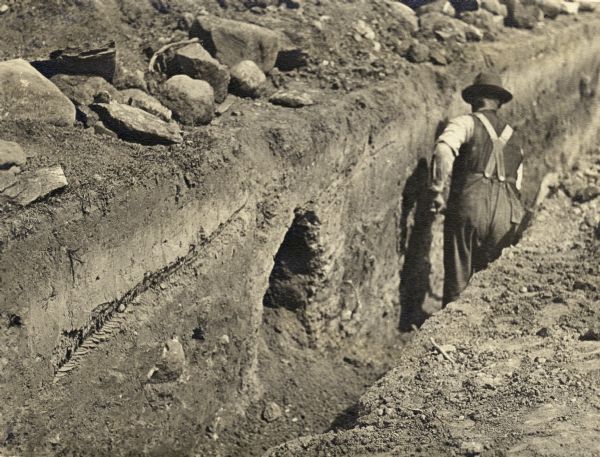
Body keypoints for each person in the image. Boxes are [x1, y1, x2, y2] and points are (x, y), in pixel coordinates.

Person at [430, 72, 525, 306]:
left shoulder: (465, 122)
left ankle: (448, 334)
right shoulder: (515, 139)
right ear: (499, 103)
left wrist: (437, 191)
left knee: (459, 277)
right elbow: (519, 183)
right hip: (508, 213)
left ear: (474, 100)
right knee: (489, 285)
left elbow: (443, 151)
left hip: (471, 205)